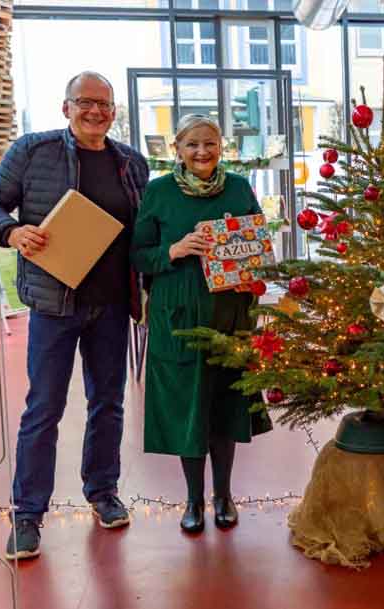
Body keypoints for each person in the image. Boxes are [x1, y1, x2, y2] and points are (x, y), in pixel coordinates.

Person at [0, 71, 149, 560]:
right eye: (85, 102)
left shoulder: (131, 163)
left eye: (104, 104)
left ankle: (103, 493)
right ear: (66, 107)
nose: (95, 111)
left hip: (111, 306)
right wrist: (11, 232)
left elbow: (143, 230)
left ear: (113, 111)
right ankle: (27, 514)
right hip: (53, 303)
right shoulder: (32, 151)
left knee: (109, 403)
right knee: (44, 409)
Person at [131, 114, 272, 534]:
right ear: (177, 148)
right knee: (186, 408)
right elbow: (137, 255)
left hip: (229, 312)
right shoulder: (158, 193)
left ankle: (223, 495)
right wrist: (172, 250)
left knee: (224, 406)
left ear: (221, 146)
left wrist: (253, 270)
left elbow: (258, 243)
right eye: (192, 144)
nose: (202, 152)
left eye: (209, 143)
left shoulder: (240, 188)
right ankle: (192, 499)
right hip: (177, 314)